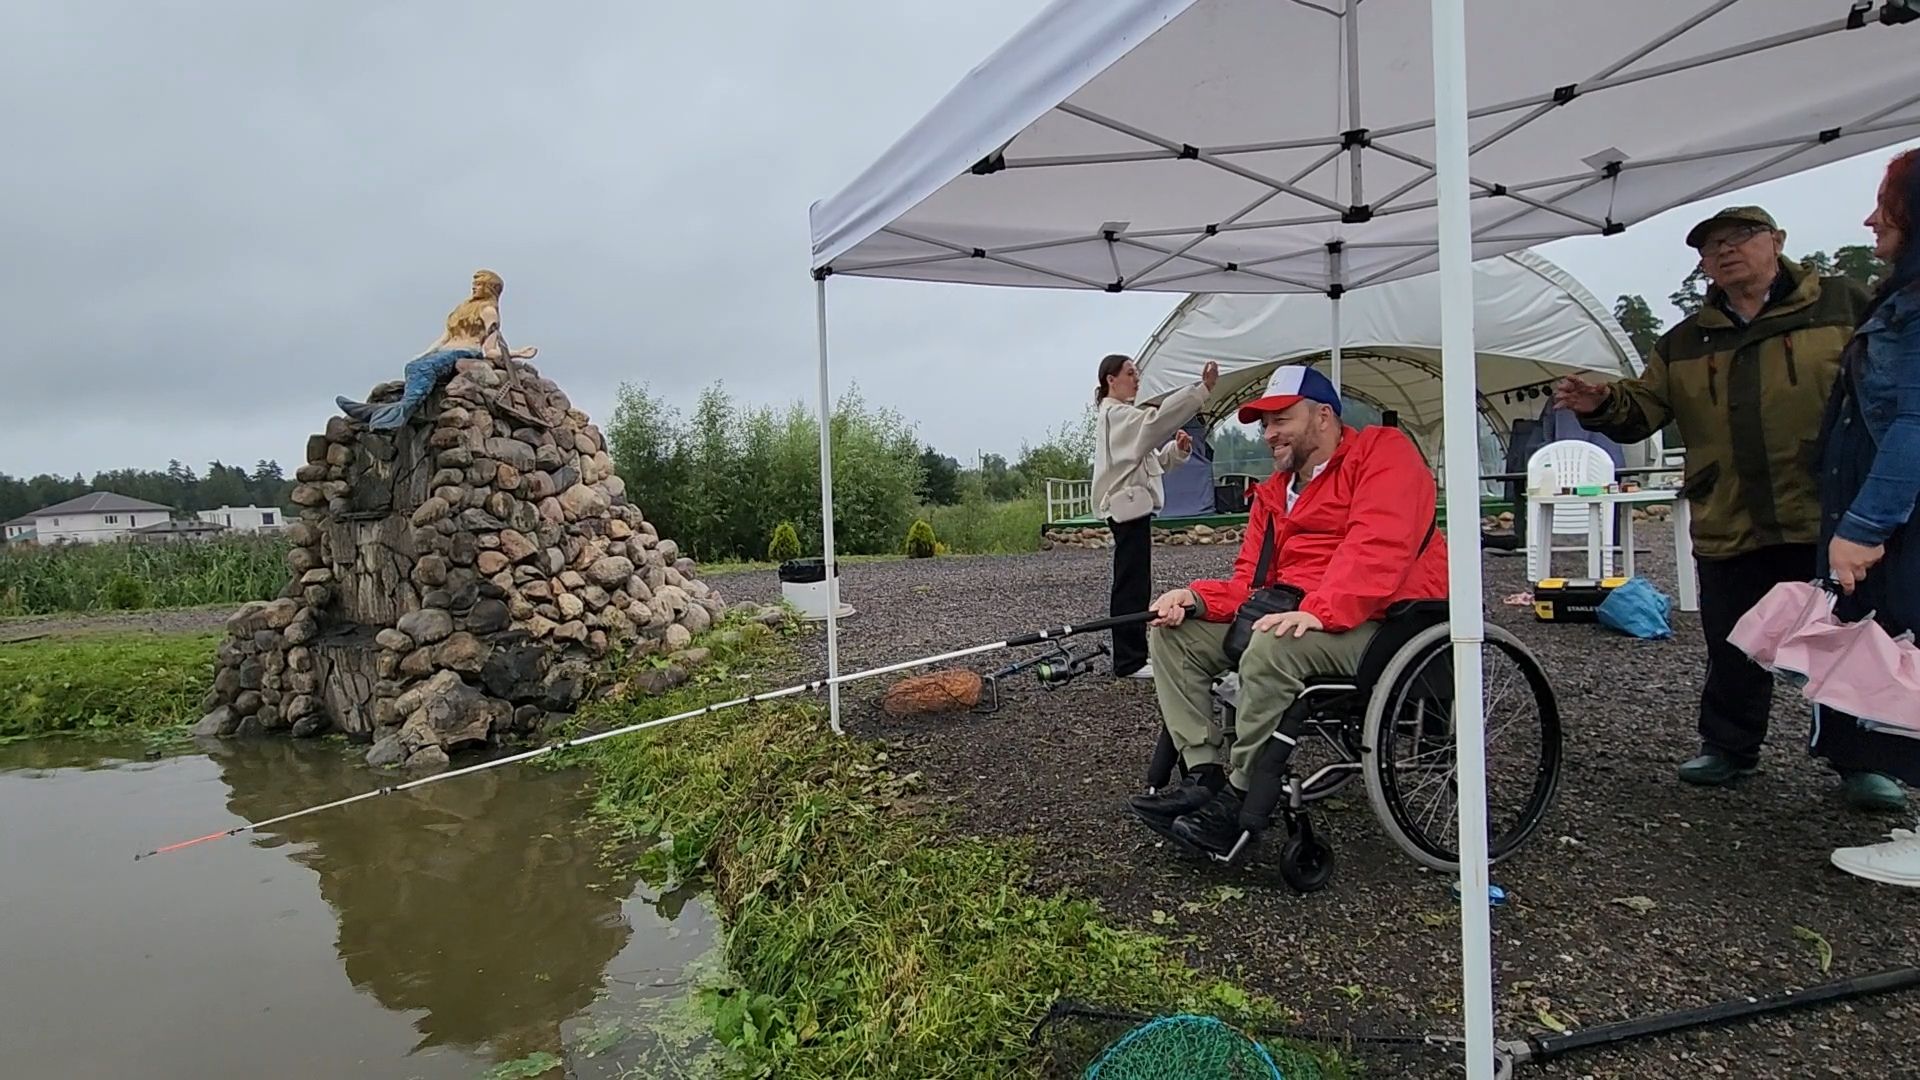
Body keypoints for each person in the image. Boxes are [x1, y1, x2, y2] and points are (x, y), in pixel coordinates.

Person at [1552, 206, 1903, 810]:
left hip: (1824, 510)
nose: (1726, 251)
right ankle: (1730, 747)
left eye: (1741, 237)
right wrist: (1602, 401)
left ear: (1778, 241)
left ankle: (1864, 760)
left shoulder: (1845, 305)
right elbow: (1646, 409)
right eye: (1712, 246)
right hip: (1729, 512)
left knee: (1846, 634)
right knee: (1733, 638)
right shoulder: (1687, 339)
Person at [1127, 366, 1448, 855]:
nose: (1270, 433)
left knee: (1273, 644)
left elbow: (1378, 546)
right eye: (1265, 423)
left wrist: (1321, 610)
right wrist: (1194, 598)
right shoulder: (1274, 492)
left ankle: (1240, 800)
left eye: (1282, 419)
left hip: (1387, 619)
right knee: (1174, 636)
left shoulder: (1384, 454)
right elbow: (1250, 585)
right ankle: (1204, 775)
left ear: (1324, 416)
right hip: (1299, 613)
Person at [1816, 149, 1920, 884]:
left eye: (1885, 204)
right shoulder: (1900, 299)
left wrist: (1865, 525)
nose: (1870, 219)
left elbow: (1916, 419)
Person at [1092, 354, 1218, 678]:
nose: (1136, 379)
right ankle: (1129, 661)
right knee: (1130, 585)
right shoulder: (1116, 416)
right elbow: (1157, 422)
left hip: (1134, 506)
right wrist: (1199, 390)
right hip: (1127, 509)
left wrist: (1178, 452)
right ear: (1111, 380)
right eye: (1130, 373)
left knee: (1134, 582)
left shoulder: (1123, 419)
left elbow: (1152, 464)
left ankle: (1133, 655)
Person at [337, 269, 540, 430]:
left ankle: (394, 416)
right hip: (445, 352)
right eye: (474, 284)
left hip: (466, 352)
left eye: (479, 284)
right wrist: (424, 354)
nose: (475, 287)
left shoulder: (489, 311)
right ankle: (380, 412)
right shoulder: (463, 308)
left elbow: (489, 350)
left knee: (424, 370)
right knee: (415, 366)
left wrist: (517, 352)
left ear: (490, 288)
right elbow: (445, 337)